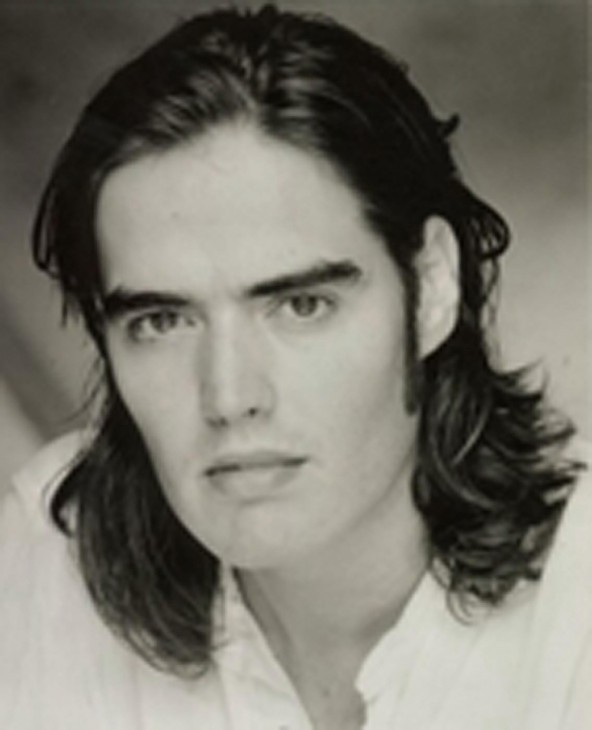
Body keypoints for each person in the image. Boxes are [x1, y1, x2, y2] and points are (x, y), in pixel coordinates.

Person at [1, 5, 590, 729]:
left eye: (301, 306)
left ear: (433, 288)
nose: (229, 396)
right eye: (162, 322)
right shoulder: (45, 570)